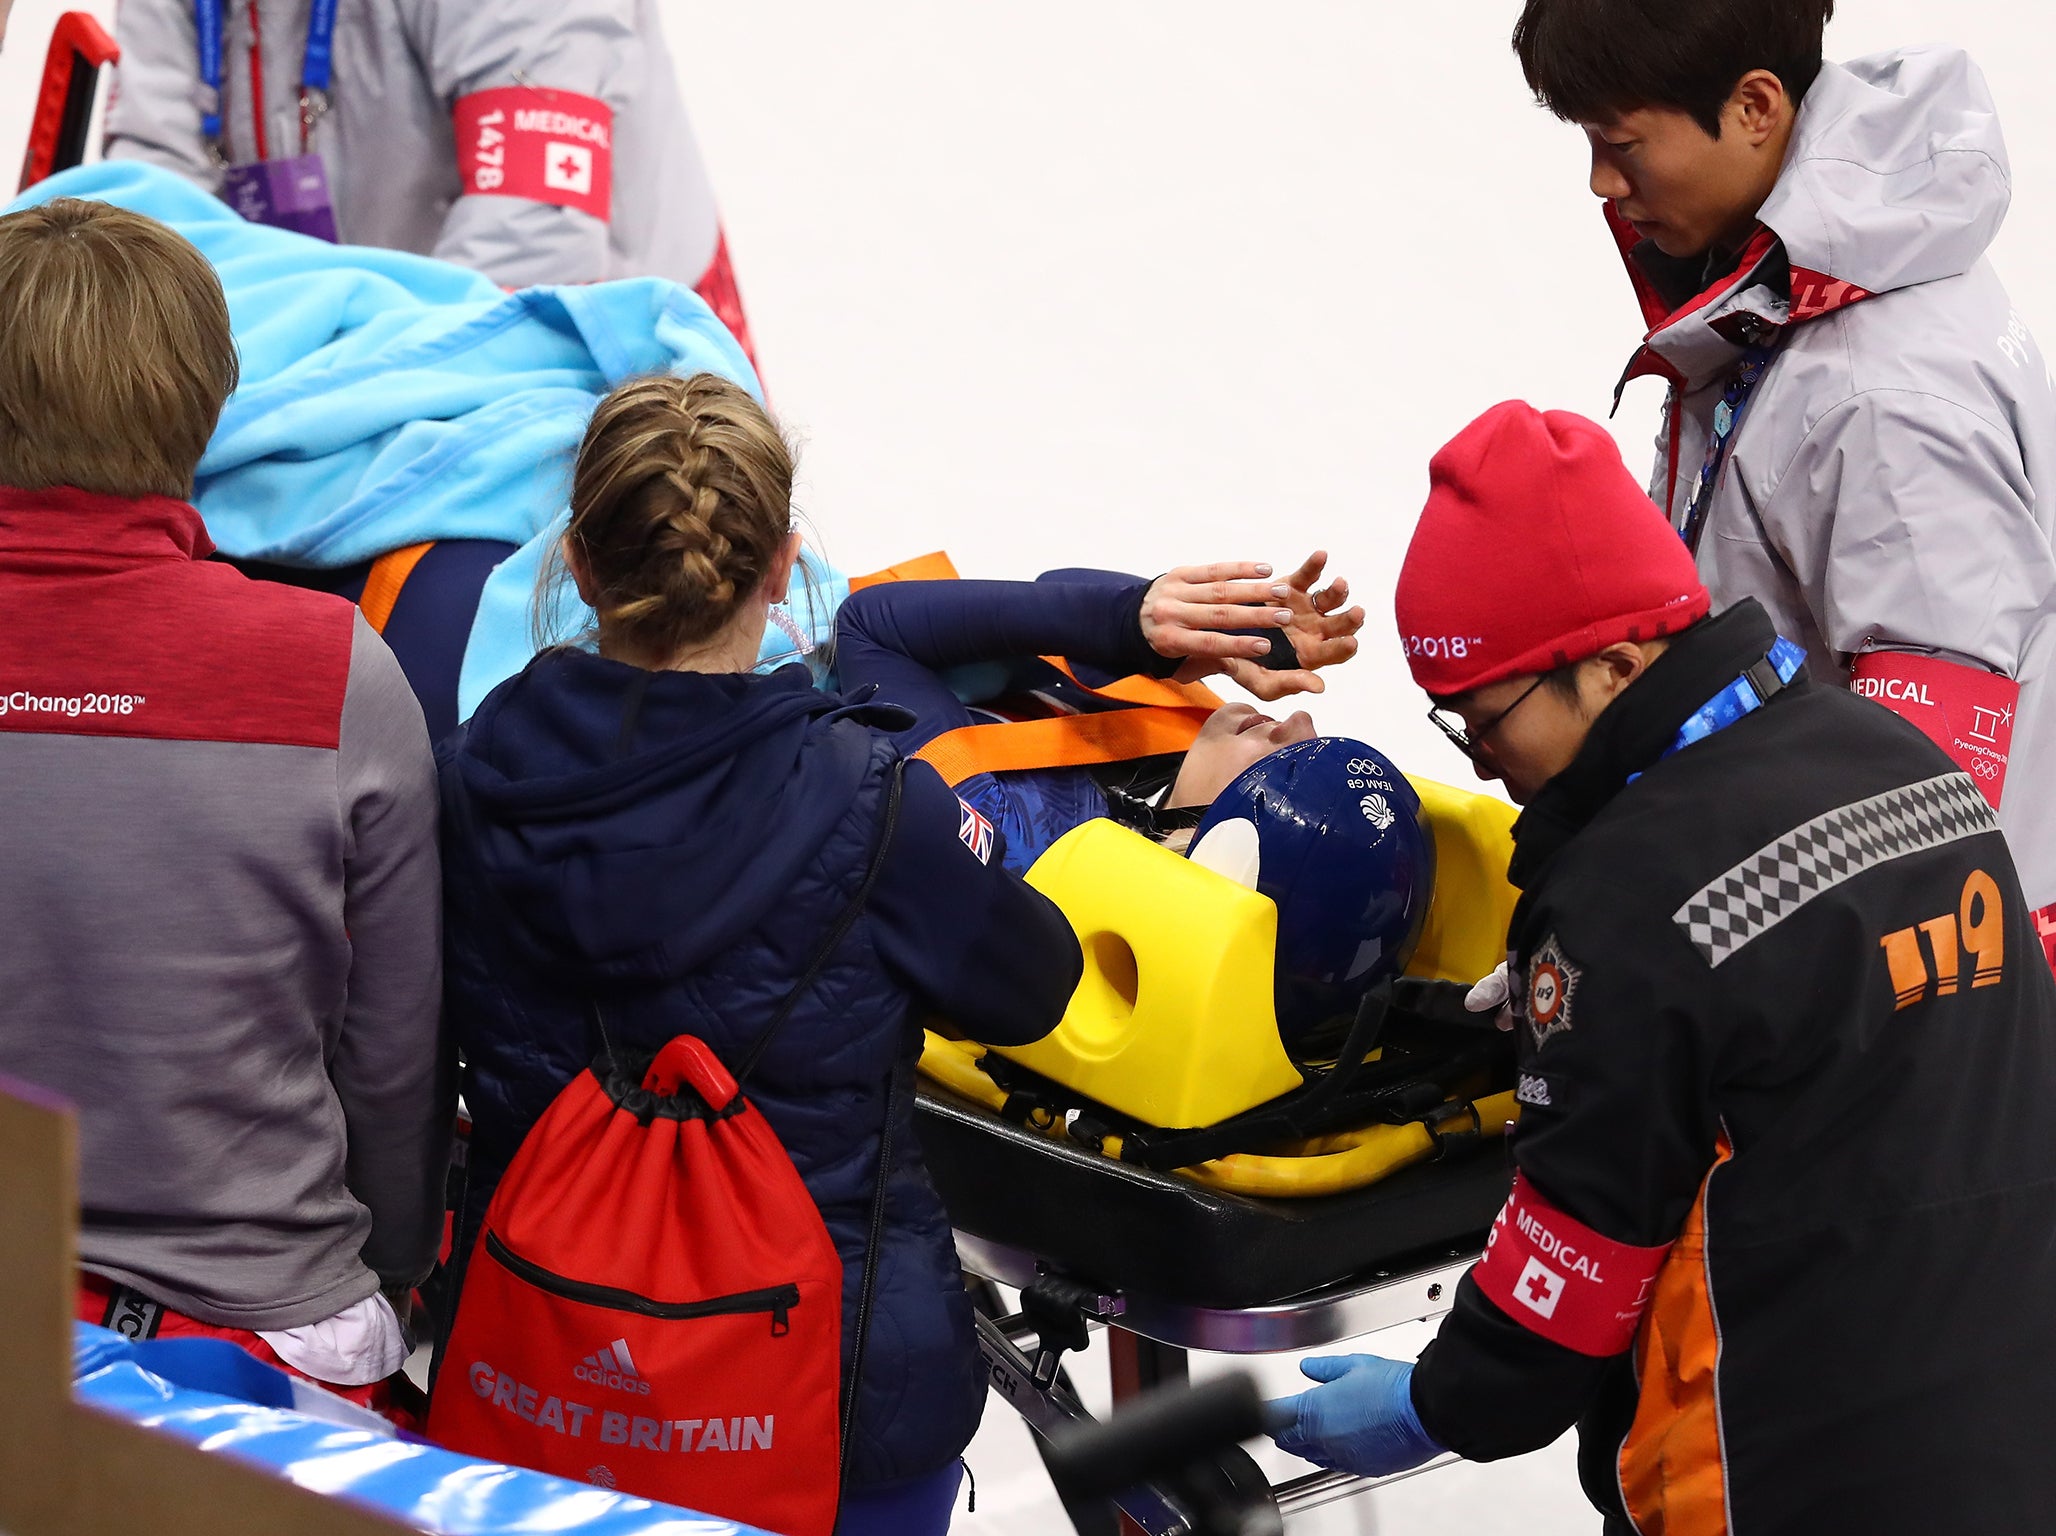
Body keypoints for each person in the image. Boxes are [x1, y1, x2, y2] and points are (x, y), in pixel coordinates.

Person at [1268, 402, 2056, 1533]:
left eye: (1483, 721)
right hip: (2008, 1435)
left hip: (1781, 1469)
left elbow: (1578, 1259)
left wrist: (1443, 1405)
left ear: (1615, 664)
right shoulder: (1902, 762)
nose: (1485, 768)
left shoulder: (1627, 897)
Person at [438, 372, 1084, 1534]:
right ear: (784, 568)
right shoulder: (877, 802)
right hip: (835, 1401)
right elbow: (1039, 988)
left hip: (542, 1367)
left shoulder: (468, 781)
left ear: (576, 566)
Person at [0, 199, 447, 1411]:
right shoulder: (333, 670)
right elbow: (395, 1056)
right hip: (256, 1337)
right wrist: (398, 1267)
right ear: (202, 404)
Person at [1509, 0, 2056, 972]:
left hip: (1896, 987)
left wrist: (1703, 989)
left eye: (1621, 142)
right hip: (1821, 917)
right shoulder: (1788, 288)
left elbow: (1929, 779)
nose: (1601, 181)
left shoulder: (1880, 394)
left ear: (1756, 105)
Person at [103, 0, 756, 354]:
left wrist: (341, 389)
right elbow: (157, 183)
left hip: (604, 328)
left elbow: (533, 232)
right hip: (344, 336)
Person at [833, 555, 1365, 872]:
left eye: (1291, 765)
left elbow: (869, 625)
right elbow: (1058, 583)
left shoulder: (1011, 836)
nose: (1301, 723)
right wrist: (1183, 631)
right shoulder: (1195, 743)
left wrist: (1123, 625)